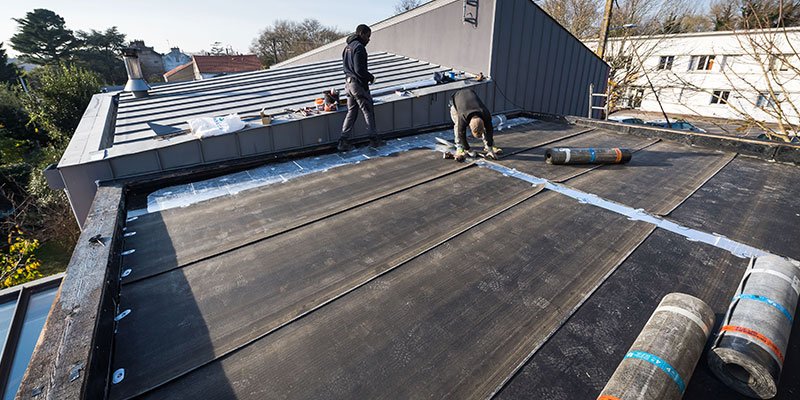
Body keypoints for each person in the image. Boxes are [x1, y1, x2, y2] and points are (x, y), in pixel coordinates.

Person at [338, 24, 381, 151]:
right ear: (361, 34)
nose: (369, 39)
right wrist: (371, 78)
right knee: (368, 111)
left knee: (351, 112)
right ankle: (374, 140)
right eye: (368, 36)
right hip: (358, 85)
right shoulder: (359, 47)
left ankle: (343, 141)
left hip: (348, 85)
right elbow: (359, 70)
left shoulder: (347, 48)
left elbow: (346, 68)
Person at [449, 88, 502, 161]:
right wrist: (468, 150)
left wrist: (490, 148)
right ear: (469, 126)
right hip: (456, 100)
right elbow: (461, 133)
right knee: (458, 125)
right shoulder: (463, 118)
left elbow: (489, 130)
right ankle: (460, 147)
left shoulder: (485, 114)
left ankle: (489, 146)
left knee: (487, 131)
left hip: (470, 97)